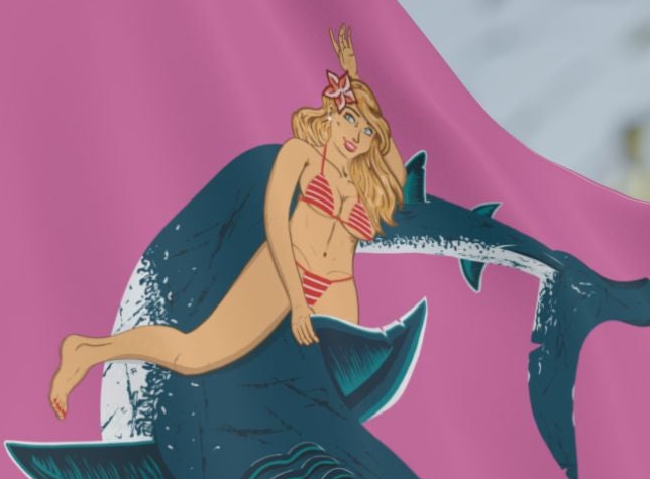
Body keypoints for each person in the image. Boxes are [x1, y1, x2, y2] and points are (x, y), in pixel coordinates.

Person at [49, 25, 408, 419]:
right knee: (196, 353)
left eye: (367, 128)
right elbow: (274, 220)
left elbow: (395, 163)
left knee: (334, 394)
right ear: (332, 115)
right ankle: (87, 351)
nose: (357, 133)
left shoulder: (364, 183)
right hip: (283, 268)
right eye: (351, 118)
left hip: (339, 288)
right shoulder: (300, 154)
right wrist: (298, 300)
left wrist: (356, 81)